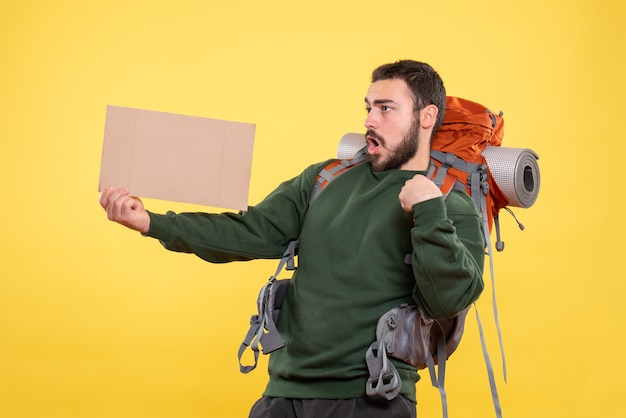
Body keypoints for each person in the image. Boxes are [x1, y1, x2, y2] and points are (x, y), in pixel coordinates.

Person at [99, 60, 485, 418]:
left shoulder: (450, 201)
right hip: (282, 395)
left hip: (373, 397)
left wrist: (429, 211)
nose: (369, 119)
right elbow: (249, 230)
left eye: (386, 108)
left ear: (427, 116)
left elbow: (447, 299)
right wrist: (152, 222)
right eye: (368, 107)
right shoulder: (326, 178)